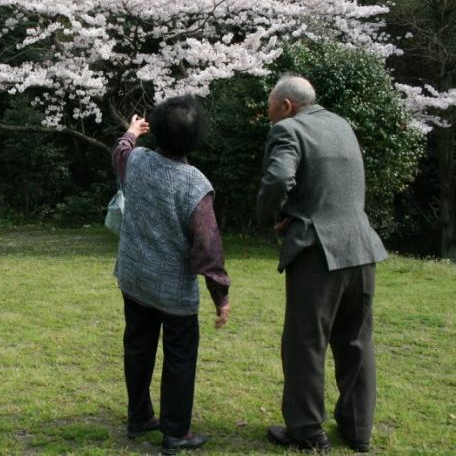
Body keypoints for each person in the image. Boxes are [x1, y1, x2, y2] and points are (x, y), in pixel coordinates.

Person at [257, 75, 387, 453]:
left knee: (305, 343)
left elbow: (280, 176)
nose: (269, 118)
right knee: (356, 342)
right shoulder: (342, 124)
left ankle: (307, 430)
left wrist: (274, 214)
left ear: (286, 106)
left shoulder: (289, 130)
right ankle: (358, 429)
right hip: (361, 248)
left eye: (270, 110)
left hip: (318, 251)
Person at [112, 95, 231, 454]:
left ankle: (139, 417)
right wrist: (220, 296)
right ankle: (176, 432)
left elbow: (120, 152)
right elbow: (208, 249)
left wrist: (131, 133)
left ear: (158, 129)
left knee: (137, 346)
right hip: (173, 293)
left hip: (134, 279)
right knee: (179, 358)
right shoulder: (194, 184)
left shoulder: (137, 161)